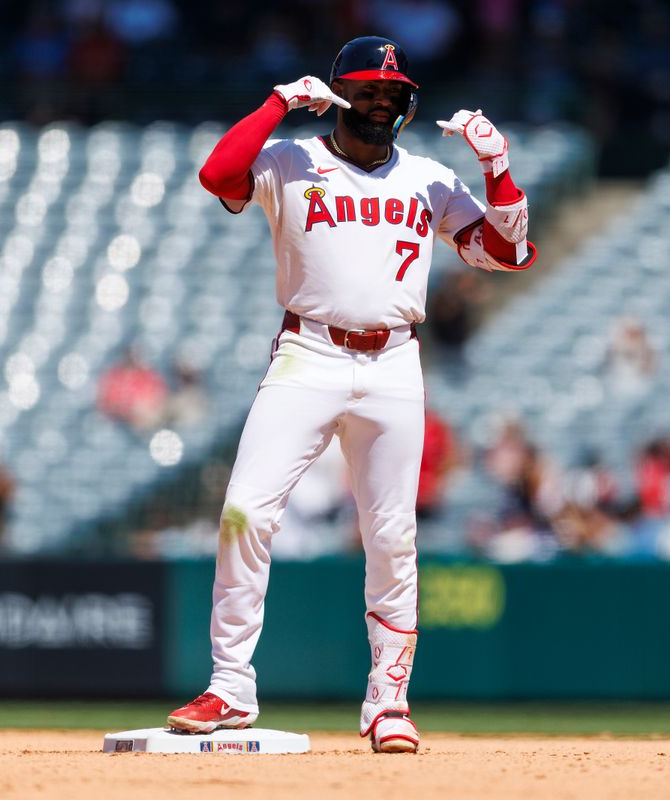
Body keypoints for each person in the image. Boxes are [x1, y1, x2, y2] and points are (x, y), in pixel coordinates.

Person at [165, 36, 538, 754]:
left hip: (395, 362)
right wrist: (277, 104)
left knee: (392, 536)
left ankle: (388, 700)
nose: (380, 103)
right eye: (367, 90)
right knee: (245, 510)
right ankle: (230, 686)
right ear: (339, 94)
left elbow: (509, 252)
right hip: (307, 351)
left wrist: (496, 167)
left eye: (392, 94)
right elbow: (218, 175)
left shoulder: (428, 178)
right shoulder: (291, 159)